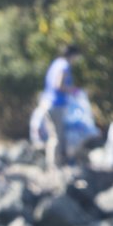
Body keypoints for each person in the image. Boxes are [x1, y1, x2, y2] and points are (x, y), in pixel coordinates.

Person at [42, 44, 81, 172]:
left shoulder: (56, 63)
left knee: (53, 135)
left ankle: (52, 164)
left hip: (47, 102)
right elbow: (58, 85)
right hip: (56, 105)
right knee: (56, 137)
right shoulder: (64, 66)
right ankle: (53, 166)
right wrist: (72, 90)